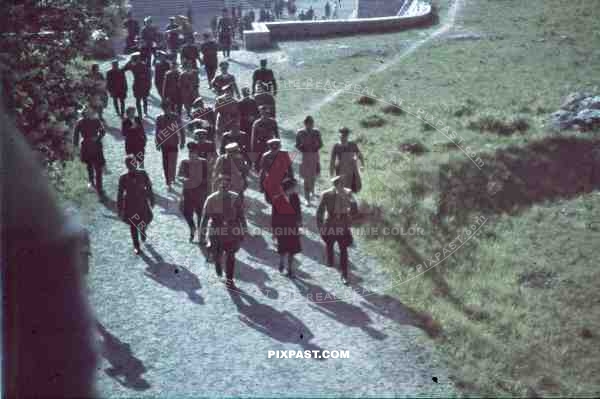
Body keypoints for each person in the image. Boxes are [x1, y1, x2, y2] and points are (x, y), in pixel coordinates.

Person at [199, 174, 248, 288]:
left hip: (232, 231)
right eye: (221, 185)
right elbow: (205, 218)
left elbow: (241, 215)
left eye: (226, 185)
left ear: (229, 186)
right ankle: (217, 263)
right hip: (216, 231)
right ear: (217, 186)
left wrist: (244, 229)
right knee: (217, 255)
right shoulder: (211, 199)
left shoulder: (235, 198)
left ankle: (229, 280)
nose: (224, 187)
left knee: (231, 256)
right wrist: (202, 235)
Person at [316, 175, 358, 285]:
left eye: (342, 184)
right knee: (329, 244)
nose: (341, 186)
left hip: (343, 225)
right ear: (334, 185)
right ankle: (330, 259)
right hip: (330, 223)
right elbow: (320, 211)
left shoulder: (348, 193)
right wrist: (320, 227)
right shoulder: (326, 194)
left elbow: (354, 210)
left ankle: (344, 274)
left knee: (343, 249)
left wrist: (352, 203)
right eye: (338, 184)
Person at [118, 155, 155, 255]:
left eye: (134, 163)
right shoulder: (123, 178)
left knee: (144, 220)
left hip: (142, 202)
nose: (132, 166)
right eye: (129, 164)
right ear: (126, 166)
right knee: (133, 225)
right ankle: (136, 246)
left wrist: (152, 199)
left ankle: (143, 230)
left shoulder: (143, 174)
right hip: (130, 204)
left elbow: (149, 187)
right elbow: (120, 194)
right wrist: (120, 208)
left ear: (136, 163)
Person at [178, 143, 209, 242]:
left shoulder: (204, 162)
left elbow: (208, 176)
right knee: (186, 212)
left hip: (200, 192)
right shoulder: (184, 162)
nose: (191, 154)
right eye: (190, 152)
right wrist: (184, 179)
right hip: (188, 191)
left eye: (194, 152)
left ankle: (201, 236)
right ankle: (192, 227)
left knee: (201, 214)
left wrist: (204, 184)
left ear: (197, 153)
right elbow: (179, 175)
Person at [271, 177, 302, 277]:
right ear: (288, 188)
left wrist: (299, 221)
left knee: (292, 250)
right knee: (283, 248)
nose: (295, 189)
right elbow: (274, 216)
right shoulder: (277, 199)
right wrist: (274, 231)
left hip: (293, 227)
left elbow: (298, 211)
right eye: (293, 187)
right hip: (282, 228)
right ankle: (281, 261)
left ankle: (290, 269)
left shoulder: (295, 197)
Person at [73, 107, 105, 196]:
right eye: (86, 113)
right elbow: (75, 135)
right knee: (89, 166)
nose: (88, 114)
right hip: (86, 146)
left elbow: (102, 131)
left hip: (96, 146)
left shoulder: (96, 121)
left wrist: (98, 137)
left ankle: (100, 187)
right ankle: (91, 182)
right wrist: (75, 146)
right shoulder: (80, 122)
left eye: (89, 112)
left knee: (98, 168)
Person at [155, 100, 185, 190]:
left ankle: (171, 178)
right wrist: (158, 143)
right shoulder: (159, 118)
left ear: (169, 107)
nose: (166, 110)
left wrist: (182, 141)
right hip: (164, 144)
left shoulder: (176, 117)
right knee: (165, 163)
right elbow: (157, 132)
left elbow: (181, 130)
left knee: (173, 162)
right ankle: (168, 181)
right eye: (164, 108)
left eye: (167, 108)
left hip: (173, 143)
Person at [295, 115, 323, 205]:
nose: (310, 126)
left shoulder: (316, 132)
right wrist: (303, 149)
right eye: (308, 124)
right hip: (305, 157)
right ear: (305, 124)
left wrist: (315, 148)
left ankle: (312, 191)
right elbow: (297, 145)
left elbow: (321, 144)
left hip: (314, 156)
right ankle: (307, 198)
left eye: (311, 124)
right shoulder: (300, 133)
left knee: (313, 176)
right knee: (306, 178)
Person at [330, 126, 364, 193]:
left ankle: (353, 201)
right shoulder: (336, 146)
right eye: (342, 134)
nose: (343, 136)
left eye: (345, 134)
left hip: (352, 170)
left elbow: (359, 155)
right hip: (340, 169)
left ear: (348, 135)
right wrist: (331, 173)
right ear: (339, 134)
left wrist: (362, 165)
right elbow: (332, 160)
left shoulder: (352, 144)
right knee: (342, 188)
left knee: (354, 187)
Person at [259, 138, 294, 204]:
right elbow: (262, 171)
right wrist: (261, 184)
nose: (275, 150)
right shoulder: (265, 156)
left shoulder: (284, 154)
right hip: (270, 179)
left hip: (283, 178)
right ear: (269, 147)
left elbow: (289, 167)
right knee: (269, 200)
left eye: (276, 148)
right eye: (273, 148)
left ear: (279, 147)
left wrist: (291, 178)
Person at [251, 105, 279, 172]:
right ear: (260, 113)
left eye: (266, 113)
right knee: (260, 162)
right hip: (260, 144)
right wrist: (253, 149)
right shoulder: (257, 123)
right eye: (263, 113)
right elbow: (253, 138)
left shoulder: (273, 122)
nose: (265, 115)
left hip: (271, 144)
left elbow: (277, 134)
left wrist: (278, 144)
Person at [214, 84, 240, 150]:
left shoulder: (235, 101)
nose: (227, 93)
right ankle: (220, 149)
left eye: (229, 91)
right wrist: (215, 122)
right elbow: (216, 111)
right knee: (220, 136)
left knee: (230, 137)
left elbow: (237, 114)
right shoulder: (219, 100)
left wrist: (237, 123)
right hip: (221, 121)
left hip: (231, 122)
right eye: (226, 91)